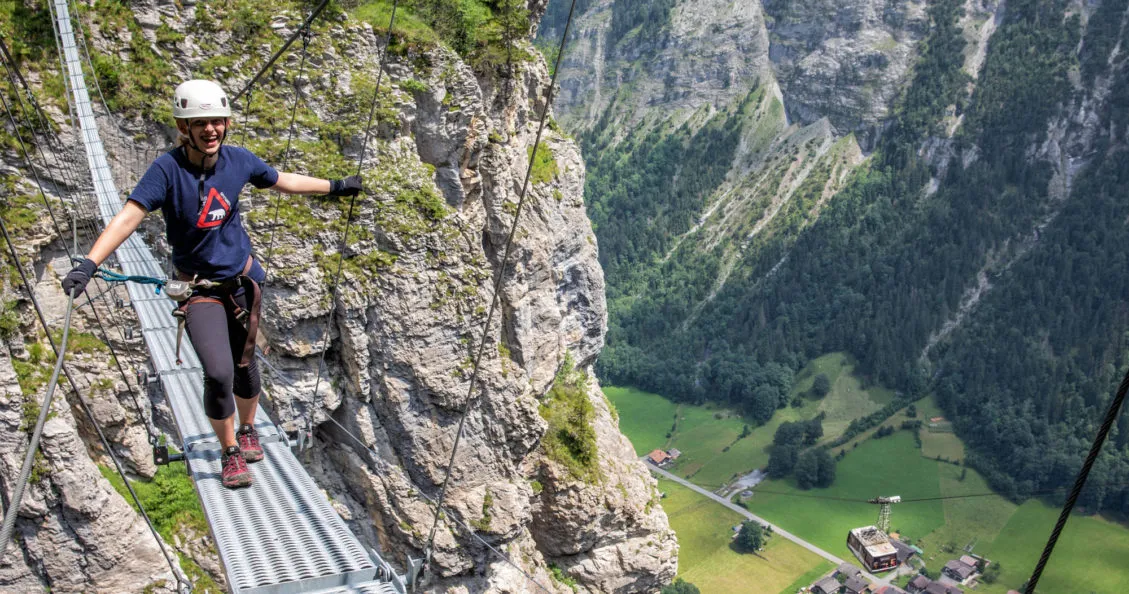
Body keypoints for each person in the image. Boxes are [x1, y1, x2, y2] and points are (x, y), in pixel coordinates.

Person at [61, 80, 362, 489]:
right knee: (218, 372)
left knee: (245, 367)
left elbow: (280, 180)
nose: (210, 130)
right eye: (199, 123)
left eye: (217, 121)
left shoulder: (238, 161)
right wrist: (91, 263)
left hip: (241, 283)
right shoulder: (166, 170)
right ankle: (230, 451)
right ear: (183, 127)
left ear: (227, 123)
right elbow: (130, 216)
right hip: (199, 289)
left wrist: (335, 187)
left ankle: (248, 428)